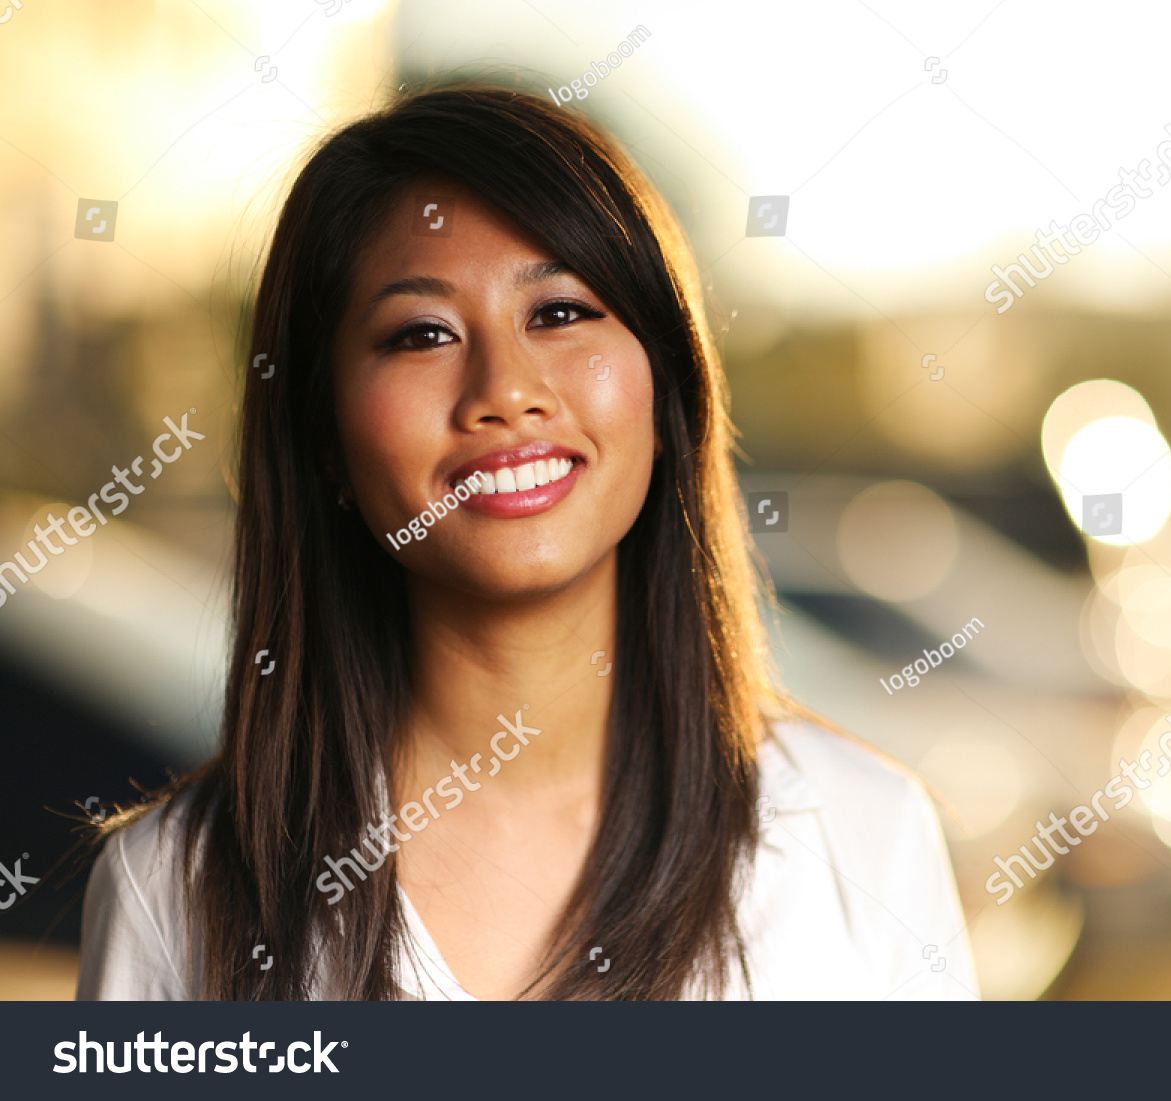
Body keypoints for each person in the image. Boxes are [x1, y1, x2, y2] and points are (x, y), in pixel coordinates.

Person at [75, 85, 976, 1001]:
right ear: (326, 440)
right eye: (422, 333)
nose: (505, 390)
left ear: (666, 390)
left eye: (559, 312)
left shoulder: (867, 834)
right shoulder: (176, 892)